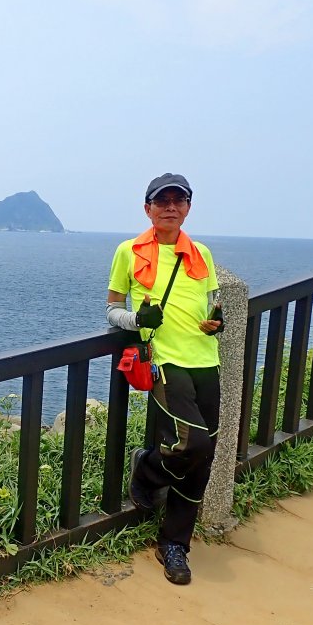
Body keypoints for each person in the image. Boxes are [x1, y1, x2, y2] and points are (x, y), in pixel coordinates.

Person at [105, 173, 222, 585]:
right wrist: (137, 319)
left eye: (179, 200)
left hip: (206, 360)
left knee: (202, 456)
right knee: (194, 442)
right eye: (162, 201)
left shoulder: (201, 254)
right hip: (165, 361)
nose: (170, 207)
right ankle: (149, 470)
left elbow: (209, 302)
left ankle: (175, 544)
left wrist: (215, 322)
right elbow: (112, 309)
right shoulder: (129, 251)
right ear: (148, 208)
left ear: (188, 207)